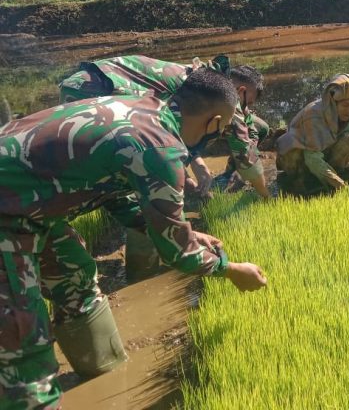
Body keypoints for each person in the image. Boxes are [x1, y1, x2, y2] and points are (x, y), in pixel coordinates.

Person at [0, 68, 267, 409]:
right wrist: (230, 269)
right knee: (24, 354)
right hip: (10, 214)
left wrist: (188, 230)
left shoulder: (144, 109)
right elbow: (178, 255)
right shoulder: (161, 150)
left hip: (27, 203)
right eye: (225, 128)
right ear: (215, 122)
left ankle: (107, 377)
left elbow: (114, 193)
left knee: (74, 271)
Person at [59, 54, 271, 199]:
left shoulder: (199, 76)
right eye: (247, 102)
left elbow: (179, 130)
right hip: (97, 90)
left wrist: (196, 164)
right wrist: (266, 196)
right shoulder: (223, 97)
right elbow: (246, 154)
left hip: (81, 84)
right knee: (122, 166)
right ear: (241, 91)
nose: (244, 110)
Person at [276, 73, 349, 194]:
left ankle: (328, 180)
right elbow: (312, 158)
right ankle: (299, 184)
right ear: (334, 103)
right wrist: (339, 184)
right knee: (292, 151)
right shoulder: (314, 114)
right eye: (345, 105)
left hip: (325, 156)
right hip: (302, 158)